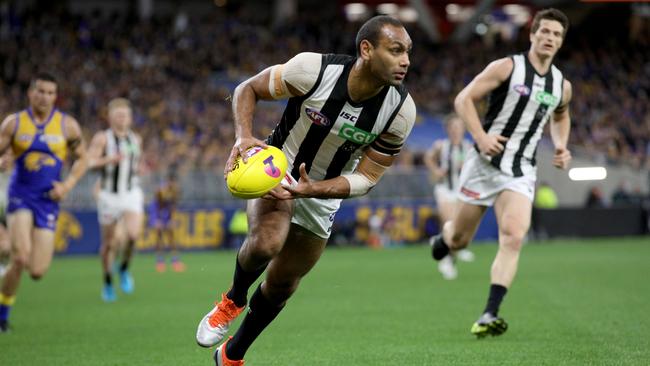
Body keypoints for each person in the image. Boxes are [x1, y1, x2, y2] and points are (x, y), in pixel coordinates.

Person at [195, 15, 416, 365]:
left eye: (407, 52)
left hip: (321, 193)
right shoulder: (313, 70)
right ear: (366, 49)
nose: (405, 60)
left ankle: (232, 354)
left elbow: (369, 176)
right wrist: (243, 135)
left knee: (283, 283)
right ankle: (233, 300)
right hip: (278, 169)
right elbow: (246, 89)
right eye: (395, 50)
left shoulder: (401, 112)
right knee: (268, 242)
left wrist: (315, 189)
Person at [429, 8, 572, 338]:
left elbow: (561, 115)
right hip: (483, 165)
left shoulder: (562, 85)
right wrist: (480, 137)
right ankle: (446, 238)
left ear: (561, 42)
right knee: (461, 238)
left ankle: (490, 312)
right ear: (532, 34)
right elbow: (464, 99)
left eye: (556, 34)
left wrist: (561, 145)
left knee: (513, 235)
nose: (550, 38)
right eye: (545, 32)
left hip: (521, 170)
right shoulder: (508, 67)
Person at [0, 72, 88, 332]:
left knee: (37, 270)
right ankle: (2, 316)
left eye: (51, 93)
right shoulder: (14, 124)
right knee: (20, 257)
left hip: (48, 200)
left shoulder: (67, 125)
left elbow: (82, 159)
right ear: (30, 93)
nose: (45, 97)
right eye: (41, 91)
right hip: (21, 195)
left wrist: (68, 185)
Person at [87, 98, 144, 302]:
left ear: (130, 118)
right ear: (111, 117)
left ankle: (124, 269)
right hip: (109, 196)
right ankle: (108, 281)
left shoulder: (136, 139)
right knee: (109, 244)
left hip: (130, 193)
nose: (122, 118)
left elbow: (135, 166)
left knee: (133, 235)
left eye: (125, 115)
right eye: (118, 115)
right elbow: (90, 162)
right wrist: (109, 160)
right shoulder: (102, 138)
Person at [424, 113, 475, 280]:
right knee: (449, 223)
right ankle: (446, 260)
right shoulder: (441, 145)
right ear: (447, 129)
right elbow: (428, 157)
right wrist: (436, 171)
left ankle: (450, 251)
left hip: (461, 191)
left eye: (459, 127)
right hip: (445, 189)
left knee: (458, 228)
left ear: (463, 129)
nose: (455, 130)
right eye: (452, 127)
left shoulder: (468, 147)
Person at [150, 170, 184, 272]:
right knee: (159, 235)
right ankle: (160, 261)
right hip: (157, 212)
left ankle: (175, 261)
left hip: (167, 213)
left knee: (171, 236)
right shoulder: (161, 191)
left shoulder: (175, 191)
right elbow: (157, 206)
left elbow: (173, 206)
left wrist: (172, 220)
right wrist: (158, 220)